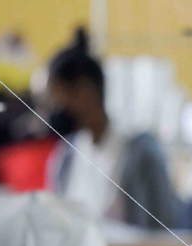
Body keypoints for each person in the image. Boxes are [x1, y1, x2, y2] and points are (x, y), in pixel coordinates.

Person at [46, 28, 182, 229]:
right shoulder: (67, 157)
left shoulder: (140, 155)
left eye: (56, 99)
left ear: (84, 93)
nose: (52, 110)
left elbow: (162, 238)